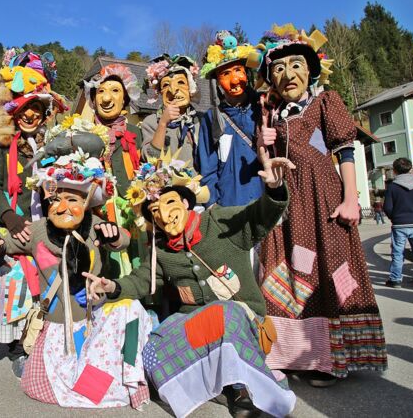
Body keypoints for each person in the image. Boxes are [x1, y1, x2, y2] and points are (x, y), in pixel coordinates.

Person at [86, 147, 297, 417]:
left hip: (242, 322)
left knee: (225, 312)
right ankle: (199, 384)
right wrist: (112, 287)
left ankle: (242, 389)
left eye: (169, 203)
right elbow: (141, 281)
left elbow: (258, 216)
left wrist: (274, 189)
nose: (163, 215)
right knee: (152, 347)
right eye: (154, 211)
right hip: (196, 328)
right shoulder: (161, 249)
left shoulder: (218, 221)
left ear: (186, 203)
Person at [0, 118, 152, 409]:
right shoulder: (38, 230)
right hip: (57, 326)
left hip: (94, 321)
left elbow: (122, 239)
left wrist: (112, 235)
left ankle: (112, 381)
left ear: (86, 202)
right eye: (56, 199)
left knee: (131, 310)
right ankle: (83, 383)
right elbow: (8, 242)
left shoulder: (95, 225)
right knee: (55, 384)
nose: (63, 207)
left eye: (73, 199)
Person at [256, 24, 387, 387]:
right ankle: (290, 353)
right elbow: (266, 165)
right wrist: (264, 143)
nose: (287, 74)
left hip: (322, 199)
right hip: (287, 204)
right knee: (285, 273)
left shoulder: (324, 102)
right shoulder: (271, 116)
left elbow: (345, 150)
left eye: (295, 65)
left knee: (328, 272)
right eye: (278, 69)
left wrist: (351, 199)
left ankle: (329, 358)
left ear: (310, 70)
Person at [0, 48, 68, 377]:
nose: (30, 115)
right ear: (15, 112)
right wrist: (10, 218)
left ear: (44, 114)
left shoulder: (54, 146)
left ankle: (43, 343)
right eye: (24, 109)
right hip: (14, 226)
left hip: (46, 227)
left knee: (48, 288)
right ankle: (18, 348)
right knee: (16, 290)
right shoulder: (2, 145)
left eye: (36, 109)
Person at [82, 64, 146, 278]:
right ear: (93, 99)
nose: (107, 98)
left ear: (125, 98)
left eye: (115, 90)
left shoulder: (136, 133)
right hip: (97, 212)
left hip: (130, 209)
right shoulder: (82, 134)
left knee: (136, 262)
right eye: (101, 91)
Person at [197, 30, 264, 207]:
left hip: (265, 200)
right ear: (217, 82)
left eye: (237, 70)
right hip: (230, 205)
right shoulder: (212, 118)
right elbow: (207, 167)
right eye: (225, 74)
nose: (234, 80)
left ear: (247, 73)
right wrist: (213, 204)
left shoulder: (263, 107)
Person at [141, 54, 201, 167]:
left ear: (191, 87)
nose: (173, 91)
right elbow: (150, 159)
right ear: (160, 92)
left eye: (181, 83)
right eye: (166, 85)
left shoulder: (201, 121)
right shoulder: (151, 122)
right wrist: (163, 124)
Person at [384, 158, 413, 288]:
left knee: (398, 252)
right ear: (410, 170)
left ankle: (395, 280)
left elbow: (387, 207)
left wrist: (394, 217)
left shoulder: (392, 187)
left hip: (399, 224)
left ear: (394, 170)